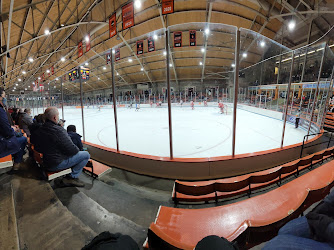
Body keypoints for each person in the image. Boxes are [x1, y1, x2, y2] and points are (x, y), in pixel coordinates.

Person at [31, 107, 90, 187]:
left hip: (46, 161)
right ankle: (72, 177)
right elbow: (72, 150)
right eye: (58, 115)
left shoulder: (40, 129)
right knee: (85, 155)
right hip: (55, 164)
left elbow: (38, 147)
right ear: (55, 117)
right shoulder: (58, 130)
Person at [263, 190, 334, 249]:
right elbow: (329, 200)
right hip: (326, 219)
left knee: (273, 246)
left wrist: (321, 222)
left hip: (327, 227)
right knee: (284, 231)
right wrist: (316, 213)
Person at [0, 87, 27, 170]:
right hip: (2, 143)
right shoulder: (0, 111)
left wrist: (10, 127)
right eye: (3, 96)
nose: (4, 98)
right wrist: (13, 130)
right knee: (23, 139)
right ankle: (17, 162)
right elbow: (8, 133)